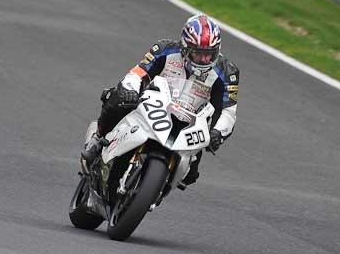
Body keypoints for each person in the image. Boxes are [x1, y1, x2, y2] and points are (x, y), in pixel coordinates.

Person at [81, 13, 239, 188]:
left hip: (189, 124)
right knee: (119, 98)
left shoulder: (227, 72)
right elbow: (137, 73)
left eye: (209, 54)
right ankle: (98, 139)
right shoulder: (164, 49)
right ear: (185, 48)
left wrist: (218, 132)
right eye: (198, 53)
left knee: (190, 176)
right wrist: (130, 90)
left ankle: (154, 191)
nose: (203, 59)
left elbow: (228, 111)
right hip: (153, 105)